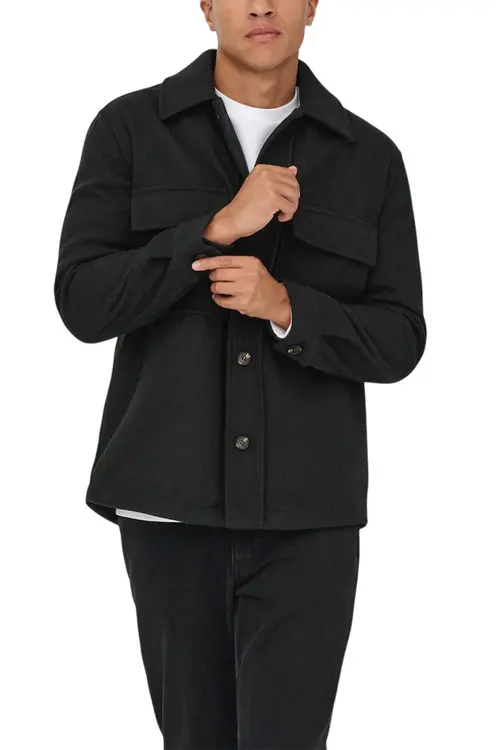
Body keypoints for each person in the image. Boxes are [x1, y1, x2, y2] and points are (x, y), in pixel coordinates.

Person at [54, 1, 427, 747]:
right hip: (169, 509)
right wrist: (215, 228)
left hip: (308, 518)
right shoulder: (129, 130)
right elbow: (84, 303)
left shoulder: (370, 157)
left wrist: (286, 306)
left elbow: (399, 339)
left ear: (313, 5)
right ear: (207, 6)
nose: (261, 5)